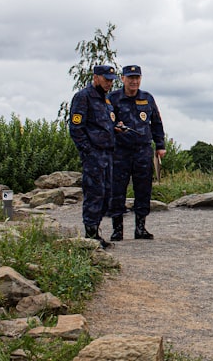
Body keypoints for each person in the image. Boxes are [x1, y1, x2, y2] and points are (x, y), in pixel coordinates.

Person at [108, 65, 166, 241]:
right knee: (117, 190)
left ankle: (140, 228)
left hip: (142, 150)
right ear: (123, 79)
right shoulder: (113, 98)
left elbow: (156, 122)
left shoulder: (147, 98)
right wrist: (113, 128)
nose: (134, 81)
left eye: (137, 78)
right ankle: (117, 229)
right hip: (120, 151)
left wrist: (160, 145)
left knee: (143, 189)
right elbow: (103, 121)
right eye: (130, 78)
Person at [68, 65, 118, 248]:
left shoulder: (106, 100)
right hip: (94, 155)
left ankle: (95, 232)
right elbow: (76, 128)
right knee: (94, 194)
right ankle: (91, 234)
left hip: (108, 153)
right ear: (96, 77)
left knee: (106, 195)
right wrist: (87, 151)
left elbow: (105, 124)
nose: (109, 84)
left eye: (111, 81)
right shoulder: (83, 97)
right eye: (106, 80)